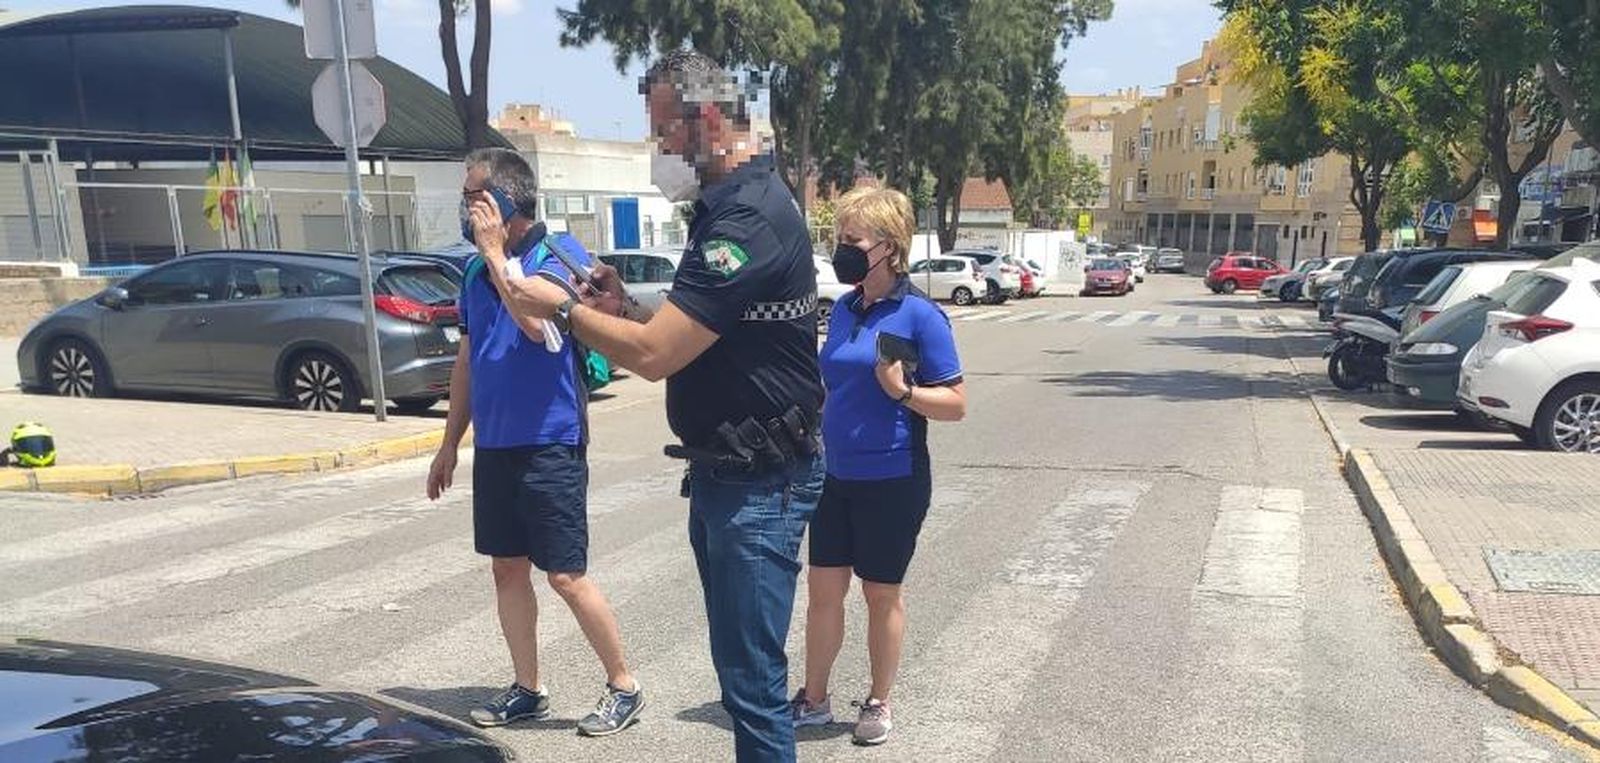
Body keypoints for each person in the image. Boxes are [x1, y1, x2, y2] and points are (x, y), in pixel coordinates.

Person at [472, 50, 826, 762]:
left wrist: (564, 308)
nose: (658, 148)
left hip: (760, 482)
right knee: (742, 678)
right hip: (731, 472)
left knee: (753, 685)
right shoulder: (727, 207)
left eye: (665, 132)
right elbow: (700, 330)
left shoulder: (746, 217)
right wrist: (623, 307)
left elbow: (657, 356)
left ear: (711, 121)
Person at [427, 147, 643, 737]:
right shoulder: (474, 273)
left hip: (552, 441)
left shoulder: (559, 255)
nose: (465, 209)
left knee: (566, 574)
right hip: (496, 445)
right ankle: (528, 688)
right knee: (507, 569)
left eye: (473, 197)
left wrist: (496, 254)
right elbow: (468, 360)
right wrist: (450, 443)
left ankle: (624, 685)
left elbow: (536, 323)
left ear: (503, 202)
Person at [790, 186, 966, 746]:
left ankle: (878, 700)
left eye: (853, 240)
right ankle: (814, 698)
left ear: (889, 246)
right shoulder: (844, 309)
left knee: (880, 594)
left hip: (893, 479)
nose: (842, 248)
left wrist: (903, 391)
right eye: (839, 237)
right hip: (834, 475)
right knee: (823, 591)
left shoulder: (921, 316)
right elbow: (834, 382)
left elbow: (956, 403)